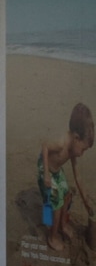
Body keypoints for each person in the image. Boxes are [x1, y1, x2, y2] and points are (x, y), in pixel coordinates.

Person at [40, 102, 94, 252]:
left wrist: (86, 202)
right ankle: (52, 237)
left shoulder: (72, 148)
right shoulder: (61, 143)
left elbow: (78, 177)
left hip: (56, 171)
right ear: (76, 137)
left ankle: (62, 224)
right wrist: (45, 174)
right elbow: (44, 146)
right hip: (45, 169)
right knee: (55, 202)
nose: (82, 154)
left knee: (67, 194)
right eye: (83, 149)